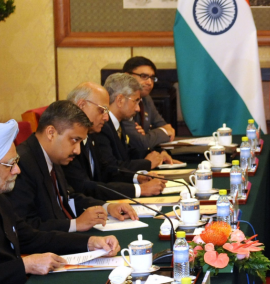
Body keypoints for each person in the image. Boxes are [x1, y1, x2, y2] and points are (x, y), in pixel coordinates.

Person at [0, 119, 121, 283]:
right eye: (10, 164)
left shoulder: (3, 200)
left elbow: (31, 237)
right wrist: (24, 265)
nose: (17, 170)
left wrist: (90, 243)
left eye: (16, 162)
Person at [10, 101, 137, 232]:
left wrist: (106, 207)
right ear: (51, 133)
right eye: (75, 140)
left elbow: (68, 198)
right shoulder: (21, 164)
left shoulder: (53, 154)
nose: (78, 150)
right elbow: (26, 228)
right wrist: (75, 224)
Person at [64, 82, 166, 200]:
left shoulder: (91, 134)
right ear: (81, 105)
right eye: (102, 110)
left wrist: (136, 177)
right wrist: (140, 190)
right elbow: (84, 187)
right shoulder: (67, 143)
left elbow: (106, 171)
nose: (106, 117)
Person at [96, 73, 177, 172]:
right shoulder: (102, 126)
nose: (138, 109)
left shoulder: (119, 122)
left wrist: (157, 153)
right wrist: (147, 163)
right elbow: (110, 167)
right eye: (136, 101)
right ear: (120, 100)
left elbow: (128, 153)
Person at [121, 56, 176, 150]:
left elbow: (165, 126)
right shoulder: (122, 102)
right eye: (144, 76)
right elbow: (142, 142)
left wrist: (159, 150)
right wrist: (162, 132)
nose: (149, 82)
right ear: (127, 76)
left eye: (152, 78)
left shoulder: (146, 99)